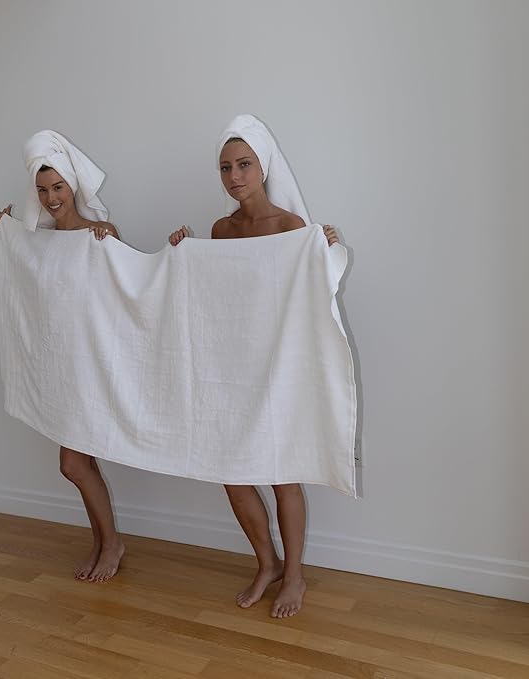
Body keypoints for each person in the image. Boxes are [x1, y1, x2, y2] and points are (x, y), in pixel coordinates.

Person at [169, 114, 339, 618]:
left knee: (282, 474)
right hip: (233, 369)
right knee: (232, 474)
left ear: (263, 166)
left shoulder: (291, 228)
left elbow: (307, 296)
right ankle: (267, 563)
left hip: (278, 369)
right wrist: (184, 254)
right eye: (225, 167)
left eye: (244, 164)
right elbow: (215, 296)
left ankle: (295, 575)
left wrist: (323, 251)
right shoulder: (221, 230)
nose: (234, 176)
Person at [0, 130, 124, 582]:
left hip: (90, 369)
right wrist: (10, 236)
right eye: (43, 190)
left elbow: (122, 296)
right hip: (60, 371)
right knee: (81, 464)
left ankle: (112, 543)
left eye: (58, 187)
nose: (51, 198)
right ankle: (103, 541)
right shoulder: (41, 243)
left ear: (73, 186)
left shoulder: (100, 235)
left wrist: (110, 244)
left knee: (72, 464)